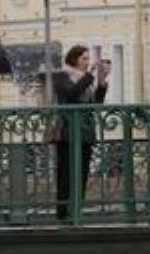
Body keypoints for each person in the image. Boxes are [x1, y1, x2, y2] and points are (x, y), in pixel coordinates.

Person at [50, 45, 109, 223]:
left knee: (82, 171)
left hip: (85, 131)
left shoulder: (87, 80)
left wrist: (102, 82)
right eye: (84, 58)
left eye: (88, 58)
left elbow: (94, 106)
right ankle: (63, 210)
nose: (87, 62)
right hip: (67, 131)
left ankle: (77, 208)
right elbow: (70, 93)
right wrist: (90, 75)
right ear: (74, 59)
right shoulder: (62, 76)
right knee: (66, 172)